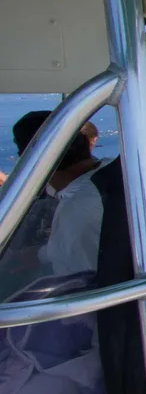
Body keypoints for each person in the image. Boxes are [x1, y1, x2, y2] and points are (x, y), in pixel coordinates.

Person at [9, 111, 107, 275]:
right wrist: (35, 255)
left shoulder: (76, 210)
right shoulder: (115, 169)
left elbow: (82, 284)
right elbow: (62, 247)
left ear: (28, 159)